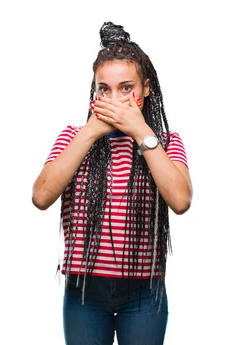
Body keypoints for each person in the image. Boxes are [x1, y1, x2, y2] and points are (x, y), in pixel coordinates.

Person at [32, 22, 192, 345]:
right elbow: (41, 195)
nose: (115, 98)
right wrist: (90, 133)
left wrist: (141, 133)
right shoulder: (72, 138)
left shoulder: (165, 142)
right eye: (104, 89)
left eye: (126, 88)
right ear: (94, 92)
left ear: (146, 89)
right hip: (85, 294)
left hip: (144, 296)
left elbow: (180, 200)